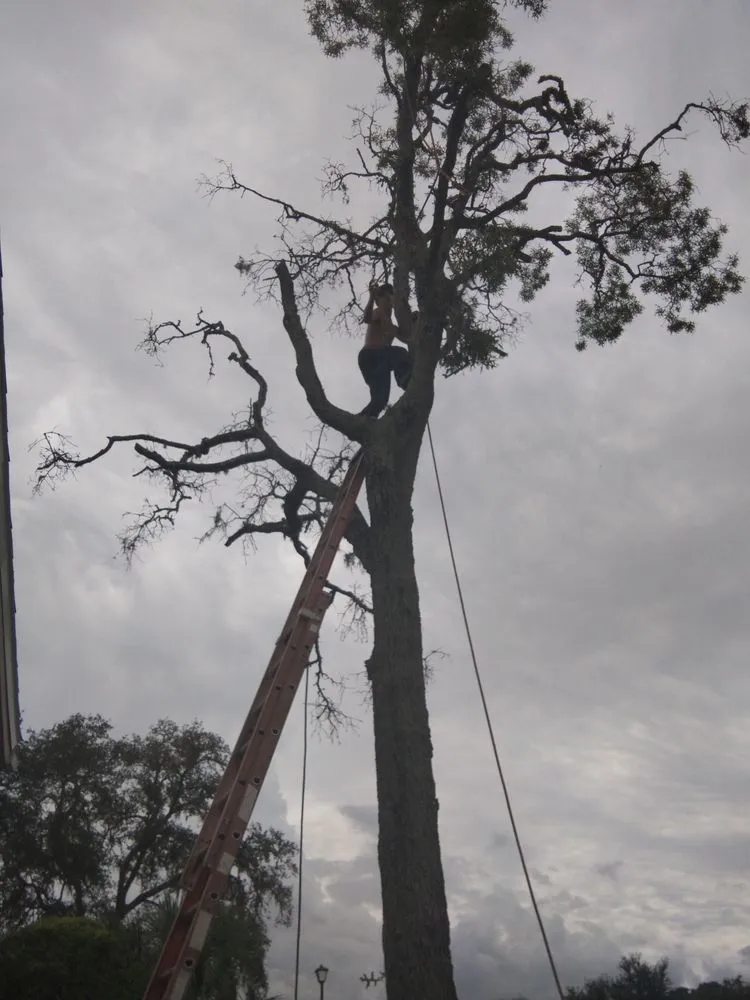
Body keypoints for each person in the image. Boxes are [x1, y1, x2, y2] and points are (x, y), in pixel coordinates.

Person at [358, 282, 414, 417]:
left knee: (381, 400)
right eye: (386, 300)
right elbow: (366, 318)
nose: (388, 304)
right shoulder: (378, 313)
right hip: (370, 356)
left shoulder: (391, 325)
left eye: (390, 301)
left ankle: (365, 418)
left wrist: (417, 321)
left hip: (380, 364)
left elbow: (408, 340)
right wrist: (372, 297)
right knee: (400, 353)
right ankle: (404, 378)